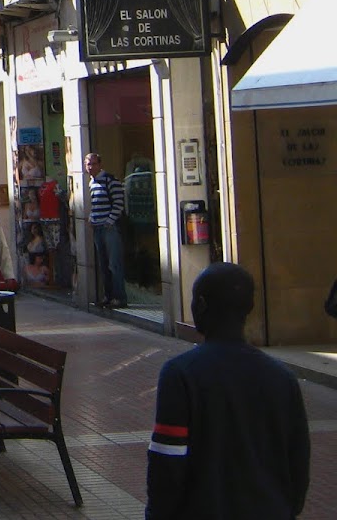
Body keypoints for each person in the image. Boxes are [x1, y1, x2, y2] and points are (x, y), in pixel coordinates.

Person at [146, 262, 310, 519]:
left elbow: (167, 463)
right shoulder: (283, 378)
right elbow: (298, 463)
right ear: (249, 308)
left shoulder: (181, 374)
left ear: (200, 305)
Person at [86, 153, 127, 308]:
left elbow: (118, 203)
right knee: (103, 264)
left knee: (114, 264)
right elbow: (95, 204)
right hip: (97, 227)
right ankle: (108, 296)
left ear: (99, 164)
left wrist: (109, 221)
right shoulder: (92, 183)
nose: (90, 167)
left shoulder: (110, 180)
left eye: (93, 164)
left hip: (109, 228)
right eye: (87, 164)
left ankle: (120, 297)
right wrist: (92, 217)